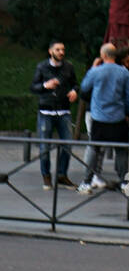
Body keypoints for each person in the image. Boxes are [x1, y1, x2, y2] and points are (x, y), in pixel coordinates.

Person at [77, 44, 129, 194]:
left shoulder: (96, 72)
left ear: (103, 56)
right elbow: (128, 97)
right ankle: (125, 182)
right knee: (121, 151)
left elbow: (84, 88)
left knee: (94, 149)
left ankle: (87, 182)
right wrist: (127, 113)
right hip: (118, 117)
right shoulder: (124, 73)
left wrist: (92, 69)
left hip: (99, 117)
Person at [31, 41, 79, 190]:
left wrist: (75, 91)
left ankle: (61, 175)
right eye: (58, 49)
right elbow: (33, 87)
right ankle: (46, 176)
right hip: (46, 111)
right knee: (44, 146)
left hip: (64, 111)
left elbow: (75, 84)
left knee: (68, 145)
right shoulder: (42, 67)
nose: (61, 52)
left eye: (63, 49)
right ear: (50, 51)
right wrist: (45, 86)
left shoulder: (69, 67)